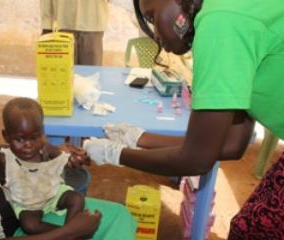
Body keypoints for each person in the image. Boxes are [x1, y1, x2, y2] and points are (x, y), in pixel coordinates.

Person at [83, 0, 284, 239]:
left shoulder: (220, 22)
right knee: (249, 226)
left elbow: (197, 159)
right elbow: (232, 144)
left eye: (152, 17)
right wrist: (140, 138)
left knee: (253, 230)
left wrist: (113, 154)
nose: (155, 35)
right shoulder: (227, 12)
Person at [0, 55, 137, 240]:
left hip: (26, 207)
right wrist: (68, 233)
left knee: (119, 217)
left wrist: (49, 152)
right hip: (8, 231)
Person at [0, 97, 86, 235]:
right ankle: (68, 234)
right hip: (26, 203)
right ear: (6, 136)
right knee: (29, 225)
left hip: (52, 193)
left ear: (42, 132)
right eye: (20, 139)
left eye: (34, 138)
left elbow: (65, 161)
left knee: (77, 198)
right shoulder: (5, 158)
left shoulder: (46, 149)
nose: (28, 145)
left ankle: (71, 230)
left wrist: (74, 160)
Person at [40, 0, 109, 65]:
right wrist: (47, 25)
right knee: (63, 73)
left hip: (92, 23)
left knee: (91, 74)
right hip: (63, 24)